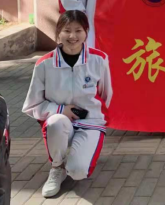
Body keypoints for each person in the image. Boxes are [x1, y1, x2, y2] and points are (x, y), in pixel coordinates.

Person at [22, 11, 112, 198]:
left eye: (78, 30)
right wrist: (60, 110)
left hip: (90, 122)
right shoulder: (44, 64)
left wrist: (93, 113)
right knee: (56, 121)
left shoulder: (99, 59)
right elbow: (32, 105)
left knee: (78, 171)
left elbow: (106, 94)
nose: (72, 36)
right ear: (58, 33)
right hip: (60, 122)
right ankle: (57, 167)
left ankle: (77, 158)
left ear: (86, 32)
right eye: (67, 30)